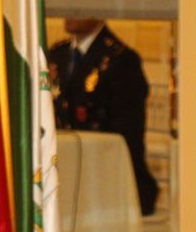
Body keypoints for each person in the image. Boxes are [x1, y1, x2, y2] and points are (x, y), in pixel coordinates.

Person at [47, 18, 159, 215]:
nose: (69, 12)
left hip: (104, 180)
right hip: (63, 173)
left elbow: (125, 137)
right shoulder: (58, 54)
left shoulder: (121, 60)